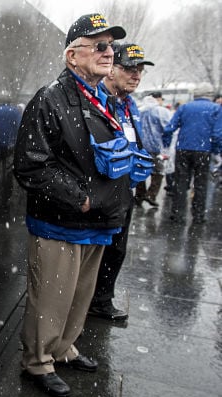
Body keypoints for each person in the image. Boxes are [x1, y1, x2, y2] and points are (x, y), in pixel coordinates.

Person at [13, 13, 130, 397]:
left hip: (98, 221)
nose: (108, 52)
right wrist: (78, 198)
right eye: (99, 46)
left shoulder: (103, 99)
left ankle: (63, 347)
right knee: (51, 298)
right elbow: (31, 164)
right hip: (63, 222)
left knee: (79, 298)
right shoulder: (50, 99)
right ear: (72, 56)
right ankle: (38, 360)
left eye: (110, 46)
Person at [88, 42, 154, 322]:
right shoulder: (96, 99)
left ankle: (102, 300)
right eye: (129, 68)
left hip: (124, 189)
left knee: (117, 250)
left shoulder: (128, 103)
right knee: (97, 252)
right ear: (111, 70)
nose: (136, 75)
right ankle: (88, 304)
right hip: (101, 190)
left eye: (139, 70)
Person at [163, 83, 222, 224]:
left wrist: (166, 144)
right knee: (201, 184)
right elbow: (217, 133)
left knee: (181, 183)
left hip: (183, 149)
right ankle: (198, 215)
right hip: (204, 150)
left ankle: (177, 214)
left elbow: (169, 128)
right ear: (210, 95)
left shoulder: (184, 107)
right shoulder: (216, 109)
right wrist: (216, 149)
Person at [136, 91, 172, 207]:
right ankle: (151, 195)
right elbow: (168, 130)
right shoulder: (162, 111)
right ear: (159, 99)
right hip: (157, 147)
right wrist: (166, 146)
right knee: (158, 172)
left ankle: (139, 196)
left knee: (140, 171)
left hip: (141, 147)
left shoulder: (139, 111)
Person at [0, 97, 22, 217]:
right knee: (8, 171)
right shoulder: (14, 111)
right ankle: (5, 199)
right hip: (10, 146)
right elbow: (20, 127)